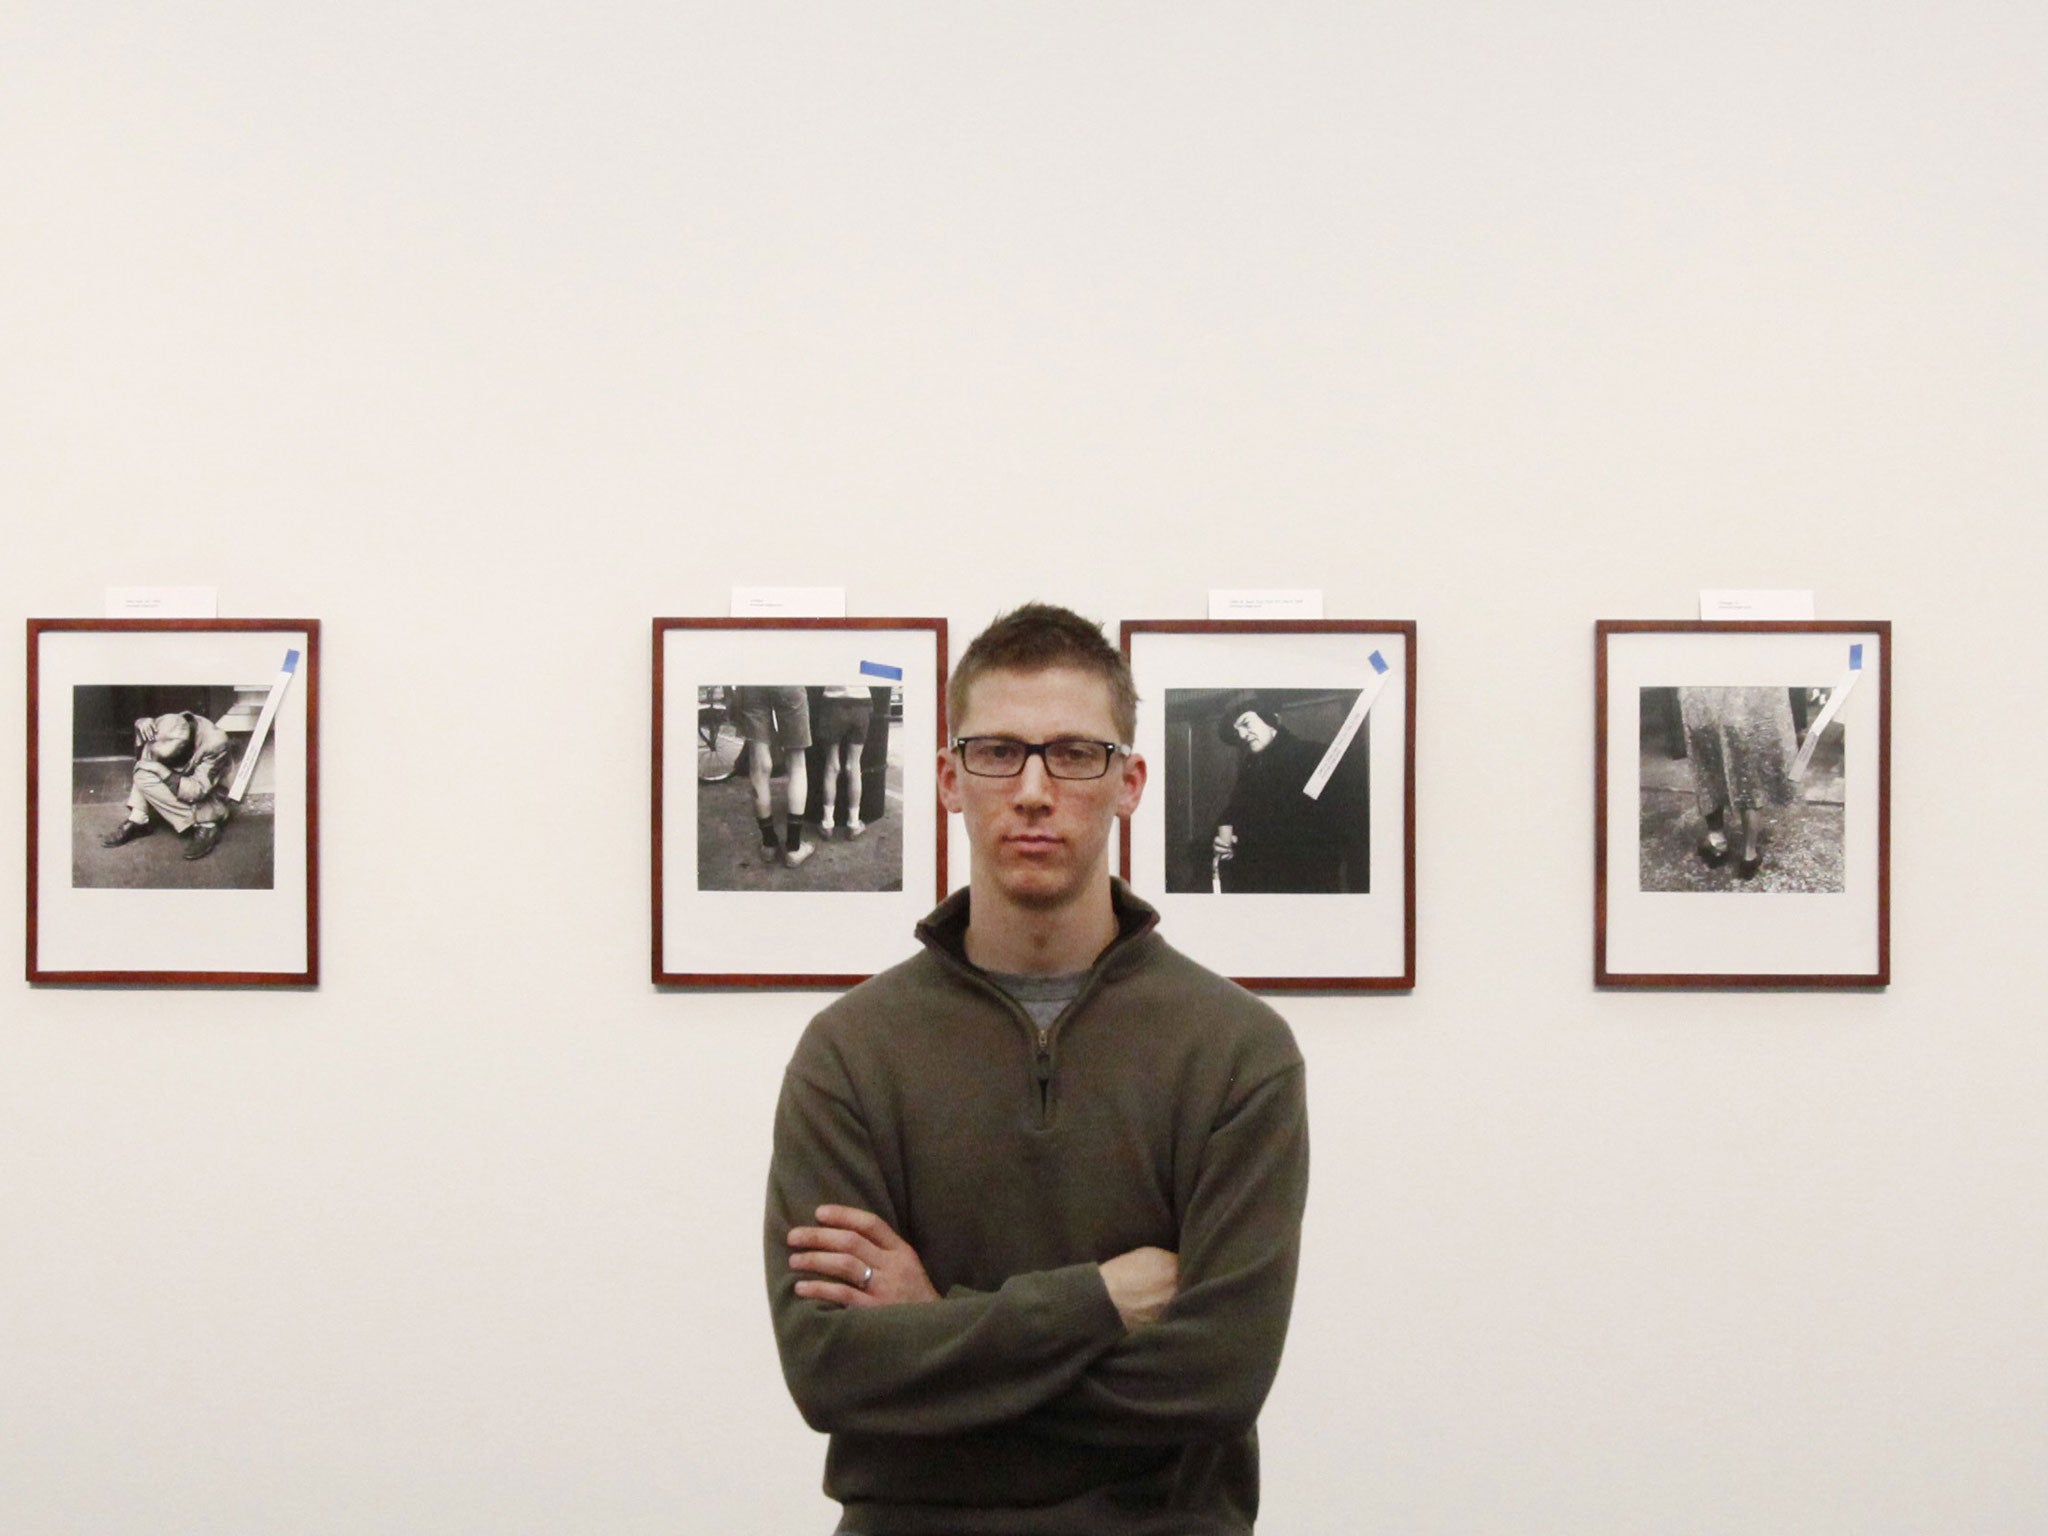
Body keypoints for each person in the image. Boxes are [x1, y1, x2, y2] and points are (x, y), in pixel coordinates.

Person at [765, 603, 1309, 1534]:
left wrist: (935, 1334)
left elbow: (1217, 1380)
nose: (1031, 788)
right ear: (948, 778)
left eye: (1073, 754)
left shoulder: (1237, 1050)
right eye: (997, 752)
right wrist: (1095, 1303)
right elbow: (833, 1372)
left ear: (1130, 781)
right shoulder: (850, 1051)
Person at [1210, 703, 1345, 893]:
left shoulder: (1313, 755)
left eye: (1246, 724)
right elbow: (1233, 814)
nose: (1242, 735)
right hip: (1255, 884)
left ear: (1271, 721)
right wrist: (1221, 841)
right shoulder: (1250, 768)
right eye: (1236, 732)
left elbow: (1332, 828)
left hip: (1305, 885)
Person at [1676, 686, 1799, 880]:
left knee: (1708, 760)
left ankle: (1717, 841)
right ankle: (1749, 855)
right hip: (1746, 698)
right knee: (1746, 771)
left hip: (1704, 692)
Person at [99, 711, 236, 861]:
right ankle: (139, 819)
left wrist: (162, 770)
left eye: (173, 757)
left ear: (185, 746)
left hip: (209, 793)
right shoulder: (169, 723)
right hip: (183, 777)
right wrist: (140, 722)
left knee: (151, 767)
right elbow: (142, 756)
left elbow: (196, 791)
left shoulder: (216, 743)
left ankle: (207, 826)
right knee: (143, 769)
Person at [734, 685, 815, 868]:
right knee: (797, 764)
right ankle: (794, 848)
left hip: (753, 679)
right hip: (787, 676)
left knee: (759, 765)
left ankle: (769, 843)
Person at [814, 684, 872, 840]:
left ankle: (827, 824)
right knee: (854, 765)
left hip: (832, 702)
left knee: (832, 766)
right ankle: (853, 823)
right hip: (861, 701)